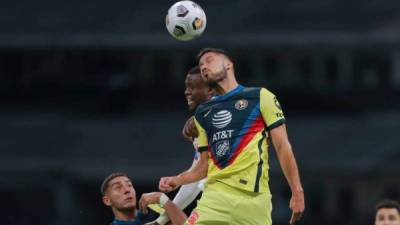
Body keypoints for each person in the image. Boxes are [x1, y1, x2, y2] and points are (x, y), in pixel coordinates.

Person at [159, 48, 305, 225]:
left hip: (253, 200)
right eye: (201, 65)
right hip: (214, 198)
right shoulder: (203, 113)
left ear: (228, 65)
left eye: (210, 61)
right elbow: (203, 166)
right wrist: (176, 180)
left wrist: (297, 192)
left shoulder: (260, 97)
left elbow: (282, 146)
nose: (204, 67)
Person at [152, 66, 214, 225]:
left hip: (236, 200)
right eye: (186, 87)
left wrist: (163, 199)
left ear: (210, 90)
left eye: (192, 87)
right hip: (219, 201)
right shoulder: (201, 121)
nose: (186, 92)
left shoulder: (223, 118)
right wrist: (162, 220)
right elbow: (197, 175)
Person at [101, 172, 187, 225]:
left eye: (129, 185)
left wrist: (163, 199)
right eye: (118, 187)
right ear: (107, 201)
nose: (127, 190)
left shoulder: (158, 211)